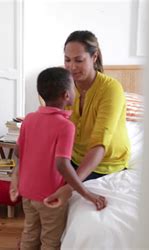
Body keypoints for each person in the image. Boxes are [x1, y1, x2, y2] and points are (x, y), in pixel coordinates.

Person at [9, 67, 106, 250]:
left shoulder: (29, 119)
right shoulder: (66, 126)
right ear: (66, 95)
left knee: (29, 234)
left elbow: (18, 152)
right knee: (51, 241)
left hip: (27, 193)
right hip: (50, 197)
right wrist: (87, 193)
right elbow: (62, 164)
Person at [44, 30, 131, 204]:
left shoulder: (111, 89)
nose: (71, 67)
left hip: (106, 163)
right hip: (72, 158)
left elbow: (99, 145)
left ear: (94, 56)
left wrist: (70, 187)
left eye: (79, 60)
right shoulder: (65, 85)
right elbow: (52, 125)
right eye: (67, 60)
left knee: (64, 197)